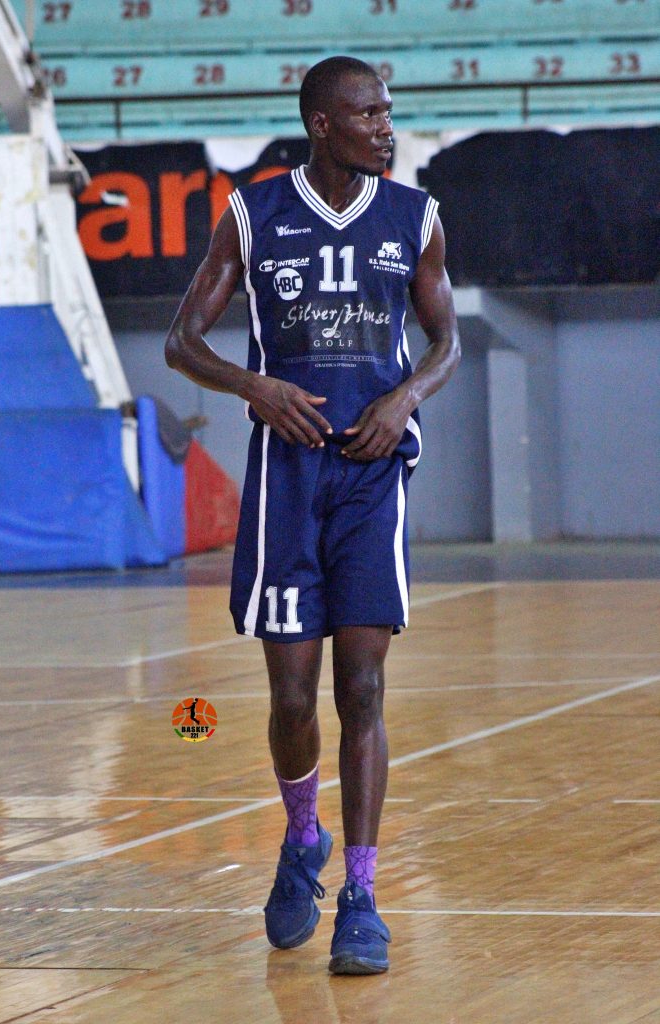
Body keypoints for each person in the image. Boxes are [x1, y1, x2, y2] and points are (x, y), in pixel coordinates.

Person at [165, 55, 460, 975]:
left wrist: (403, 399)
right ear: (322, 124)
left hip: (370, 477)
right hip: (287, 480)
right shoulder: (254, 213)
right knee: (292, 698)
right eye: (367, 114)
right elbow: (181, 342)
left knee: (360, 690)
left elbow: (447, 341)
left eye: (387, 111)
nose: (385, 127)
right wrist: (253, 385)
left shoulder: (415, 216)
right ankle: (302, 838)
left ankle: (362, 898)